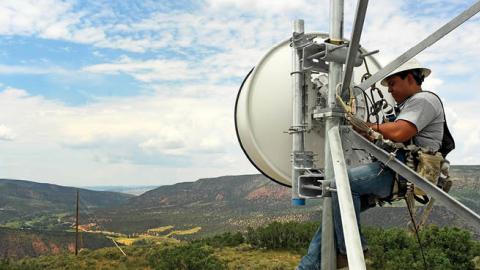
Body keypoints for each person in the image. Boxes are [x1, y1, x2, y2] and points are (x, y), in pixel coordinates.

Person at [297, 58, 446, 269]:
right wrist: (368, 130)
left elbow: (400, 132)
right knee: (334, 218)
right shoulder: (406, 105)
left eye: (393, 83)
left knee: (342, 183)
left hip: (403, 171)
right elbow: (387, 134)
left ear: (410, 78)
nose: (390, 90)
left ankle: (348, 251)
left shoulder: (424, 100)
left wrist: (367, 125)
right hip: (394, 168)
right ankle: (306, 267)